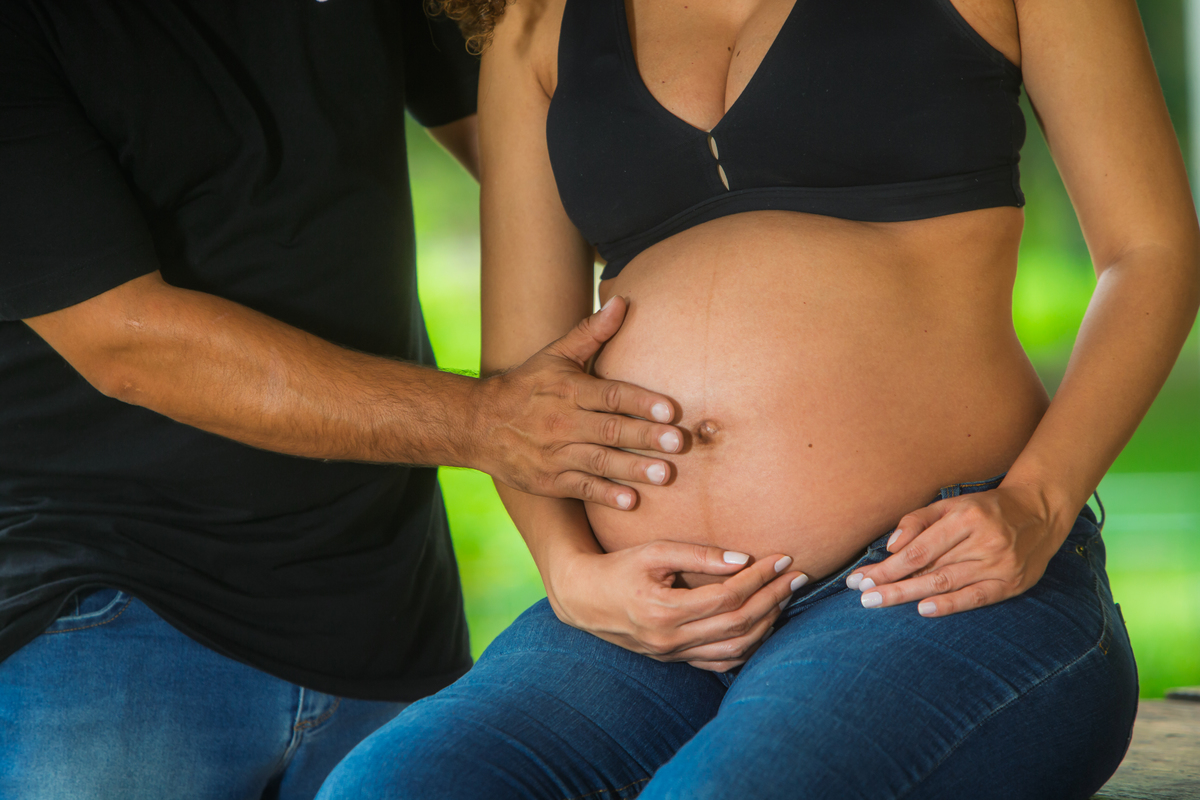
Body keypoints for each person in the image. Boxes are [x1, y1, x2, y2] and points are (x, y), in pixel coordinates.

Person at [316, 0, 1200, 797]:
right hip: (647, 615)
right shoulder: (534, 28)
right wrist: (570, 572)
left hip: (929, 583)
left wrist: (1040, 501)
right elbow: (525, 383)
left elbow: (1151, 251)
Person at [0, 1, 790, 797]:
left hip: (385, 599)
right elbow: (128, 342)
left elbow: (575, 156)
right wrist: (489, 421)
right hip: (108, 619)